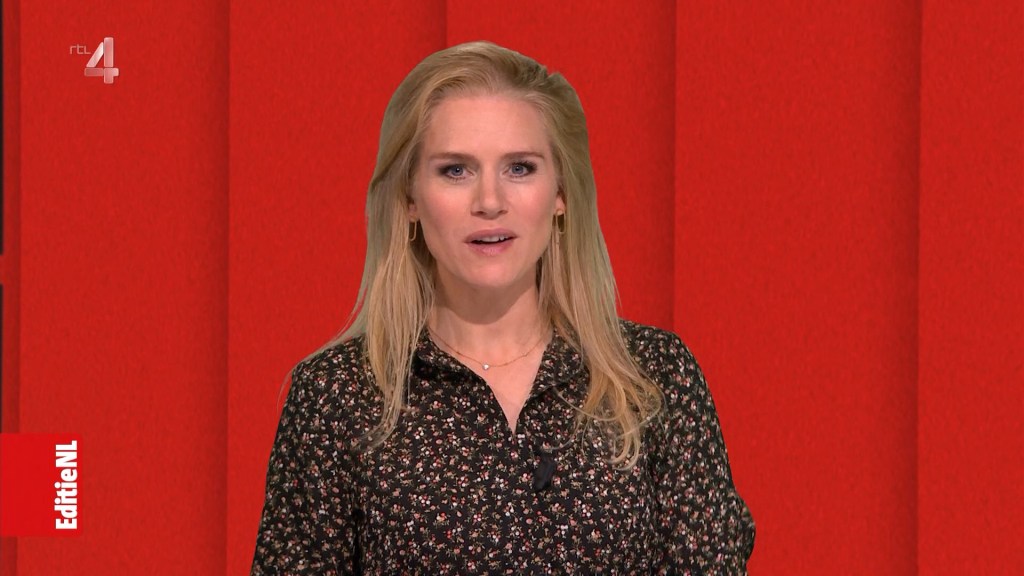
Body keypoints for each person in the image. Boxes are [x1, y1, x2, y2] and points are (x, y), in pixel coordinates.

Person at [252, 40, 754, 575]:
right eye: (455, 170)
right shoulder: (337, 395)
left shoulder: (654, 376)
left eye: (519, 168)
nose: (489, 201)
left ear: (561, 193)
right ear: (410, 199)